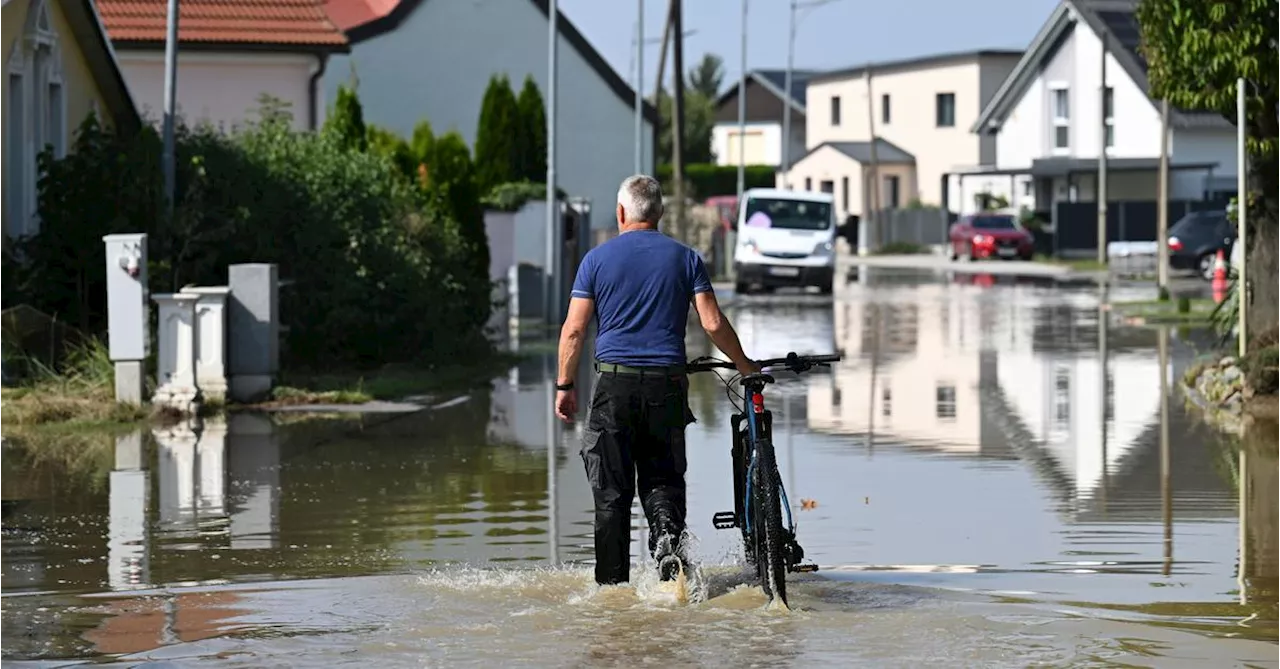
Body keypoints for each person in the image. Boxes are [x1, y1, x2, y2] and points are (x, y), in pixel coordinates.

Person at [553, 174, 759, 586]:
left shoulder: (595, 260)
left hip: (614, 386)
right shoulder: (686, 258)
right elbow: (713, 322)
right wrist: (745, 366)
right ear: (660, 213)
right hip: (666, 385)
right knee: (662, 480)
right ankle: (667, 544)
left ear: (620, 212)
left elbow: (574, 330)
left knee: (611, 495)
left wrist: (565, 385)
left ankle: (612, 593)